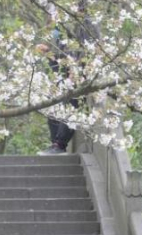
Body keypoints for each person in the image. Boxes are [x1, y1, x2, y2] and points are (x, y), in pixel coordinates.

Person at [36, 2, 99, 155]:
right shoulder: (62, 21)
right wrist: (48, 50)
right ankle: (55, 143)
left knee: (72, 104)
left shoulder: (86, 22)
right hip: (60, 67)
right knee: (53, 102)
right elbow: (60, 43)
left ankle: (60, 144)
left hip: (77, 70)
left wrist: (77, 67)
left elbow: (91, 47)